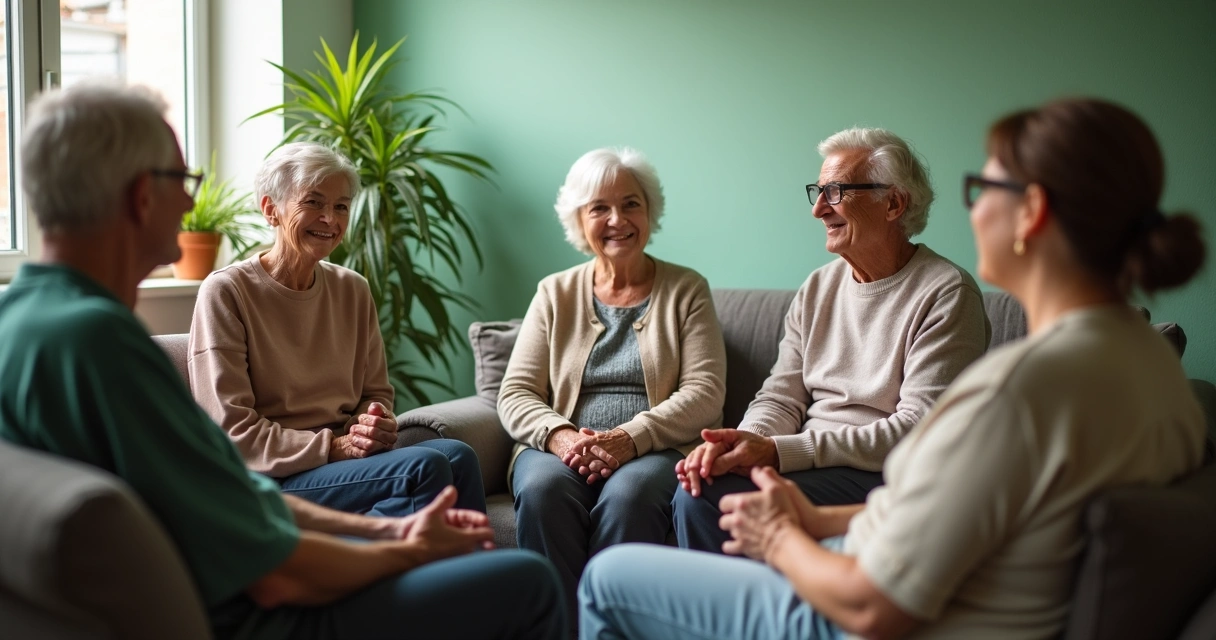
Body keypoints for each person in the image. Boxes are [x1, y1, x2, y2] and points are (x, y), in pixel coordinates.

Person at [579, 97, 1207, 639]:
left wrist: (779, 538)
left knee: (607, 578)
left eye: (981, 189)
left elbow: (871, 605)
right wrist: (805, 503)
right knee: (702, 498)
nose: (820, 208)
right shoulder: (1144, 361)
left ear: (1032, 212)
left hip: (878, 619)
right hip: (914, 568)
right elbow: (974, 506)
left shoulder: (1015, 391)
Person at [0, 82, 564, 640]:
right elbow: (275, 571)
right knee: (527, 580)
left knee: (453, 483)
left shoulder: (23, 321)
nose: (193, 203)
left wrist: (394, 539)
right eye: (183, 180)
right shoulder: (99, 343)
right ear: (141, 195)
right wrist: (406, 550)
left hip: (242, 578)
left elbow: (236, 500)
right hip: (255, 613)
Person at [673, 127, 991, 553]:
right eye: (818, 192)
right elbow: (781, 397)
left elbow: (918, 430)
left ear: (894, 203)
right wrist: (740, 444)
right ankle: (726, 614)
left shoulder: (946, 292)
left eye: (837, 191)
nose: (819, 209)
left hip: (881, 473)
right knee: (703, 484)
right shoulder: (818, 287)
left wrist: (780, 452)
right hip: (805, 460)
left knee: (716, 498)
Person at [188, 141, 485, 516]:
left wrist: (373, 423)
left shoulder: (353, 289)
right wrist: (335, 446)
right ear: (271, 209)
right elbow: (232, 432)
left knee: (457, 455)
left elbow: (375, 393)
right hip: (272, 476)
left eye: (341, 206)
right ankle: (394, 558)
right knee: (424, 468)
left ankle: (473, 568)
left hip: (342, 462)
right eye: (313, 202)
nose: (330, 219)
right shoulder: (227, 291)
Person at [497, 147, 727, 629]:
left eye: (631, 203)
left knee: (630, 496)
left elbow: (705, 393)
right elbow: (516, 393)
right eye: (599, 207)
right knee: (541, 491)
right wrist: (562, 438)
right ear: (579, 220)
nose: (617, 219)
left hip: (655, 448)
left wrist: (629, 440)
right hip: (562, 446)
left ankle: (616, 628)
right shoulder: (553, 292)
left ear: (650, 212)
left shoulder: (687, 289)